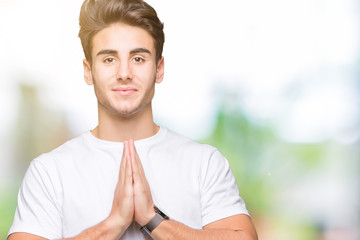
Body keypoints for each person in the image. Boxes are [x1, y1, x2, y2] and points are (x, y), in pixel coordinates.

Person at [8, 0, 258, 239]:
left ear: (159, 69)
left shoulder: (204, 164)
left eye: (138, 58)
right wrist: (114, 223)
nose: (124, 73)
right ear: (88, 71)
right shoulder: (49, 172)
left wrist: (152, 218)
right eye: (109, 59)